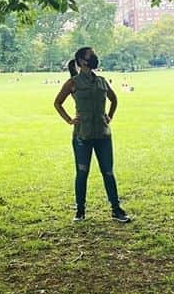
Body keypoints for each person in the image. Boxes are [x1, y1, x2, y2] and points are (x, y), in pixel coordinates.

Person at [54, 47, 131, 223]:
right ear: (81, 61)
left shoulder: (102, 81)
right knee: (82, 173)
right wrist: (69, 120)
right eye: (91, 55)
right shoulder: (73, 83)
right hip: (83, 136)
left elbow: (114, 99)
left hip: (103, 135)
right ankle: (80, 211)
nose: (95, 58)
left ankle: (116, 209)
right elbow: (57, 103)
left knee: (108, 173)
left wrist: (109, 116)